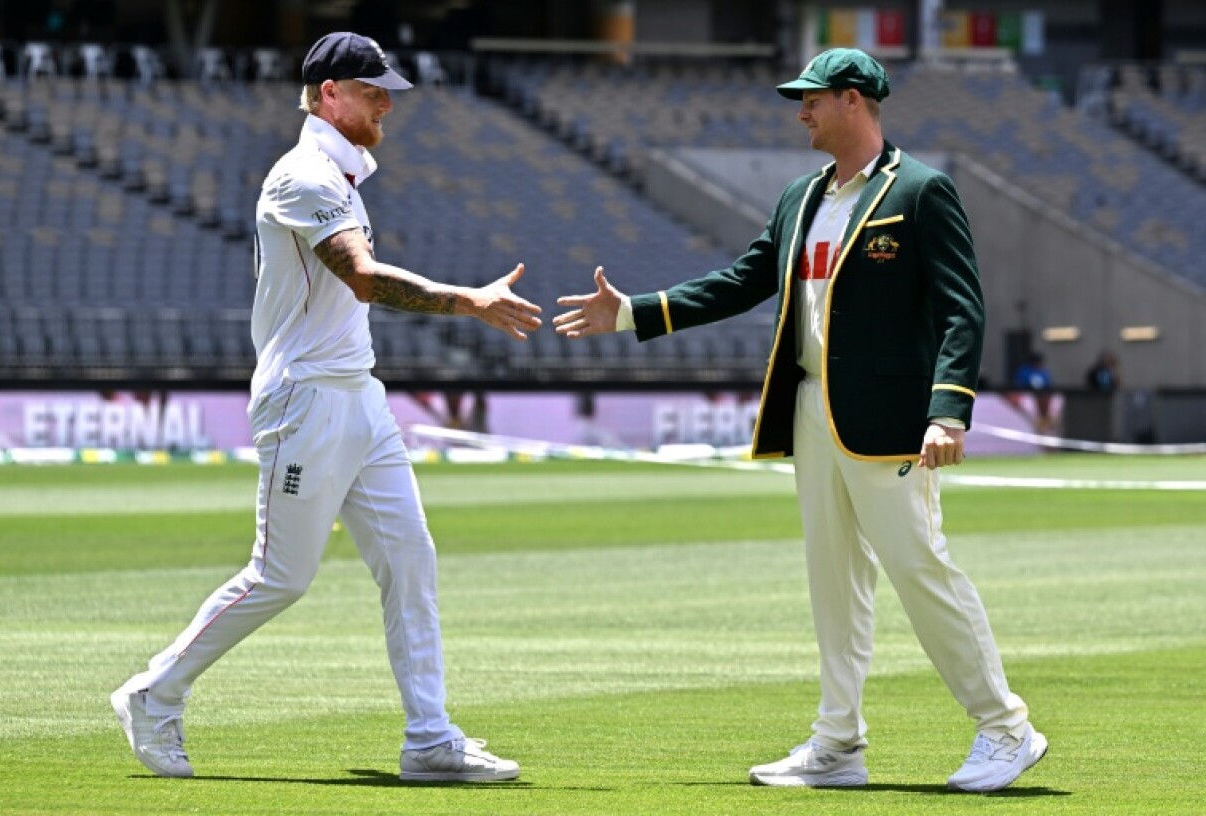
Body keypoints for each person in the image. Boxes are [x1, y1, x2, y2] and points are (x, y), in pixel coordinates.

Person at [554, 48, 1046, 793]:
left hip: (890, 419)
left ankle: (1006, 727)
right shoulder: (801, 196)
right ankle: (838, 744)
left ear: (853, 100)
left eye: (813, 98)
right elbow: (744, 278)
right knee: (832, 583)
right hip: (812, 409)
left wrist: (948, 412)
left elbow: (962, 309)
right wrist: (632, 313)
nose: (802, 112)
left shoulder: (921, 190)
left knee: (921, 570)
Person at [111, 31, 540, 782]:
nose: (386, 105)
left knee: (410, 560)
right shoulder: (303, 176)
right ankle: (153, 693)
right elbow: (363, 278)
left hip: (357, 394)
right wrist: (468, 300)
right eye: (373, 92)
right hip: (304, 399)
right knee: (279, 576)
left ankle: (430, 739)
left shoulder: (338, 175)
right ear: (329, 94)